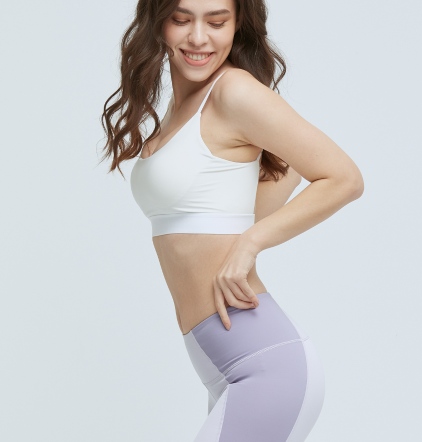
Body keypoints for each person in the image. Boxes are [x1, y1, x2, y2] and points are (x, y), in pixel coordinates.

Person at [100, 0, 364, 440]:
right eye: (181, 19)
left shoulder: (233, 91)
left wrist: (250, 243)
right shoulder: (184, 108)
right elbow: (280, 173)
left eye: (217, 21)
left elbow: (345, 178)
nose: (198, 37)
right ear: (158, 22)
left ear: (238, 24)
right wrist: (245, 230)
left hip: (265, 367)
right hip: (224, 367)